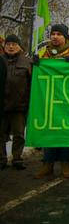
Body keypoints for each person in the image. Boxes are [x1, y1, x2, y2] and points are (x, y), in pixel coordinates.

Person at [35, 24, 69, 179]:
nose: (55, 37)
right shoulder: (44, 53)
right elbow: (34, 76)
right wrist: (34, 65)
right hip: (49, 100)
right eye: (52, 34)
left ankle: (65, 163)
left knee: (67, 132)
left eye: (58, 34)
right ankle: (47, 164)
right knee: (49, 131)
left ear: (65, 37)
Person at [0, 35, 31, 171]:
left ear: (19, 46)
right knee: (0, 134)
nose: (11, 47)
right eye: (8, 44)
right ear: (4, 46)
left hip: (19, 106)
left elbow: (34, 83)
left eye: (14, 44)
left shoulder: (27, 62)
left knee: (18, 135)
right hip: (2, 106)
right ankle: (2, 159)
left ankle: (17, 158)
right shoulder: (0, 61)